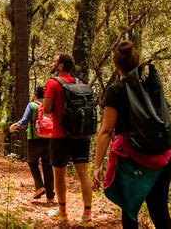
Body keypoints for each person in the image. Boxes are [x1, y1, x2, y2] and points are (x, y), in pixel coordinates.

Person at [92, 40, 171, 228]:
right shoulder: (152, 86)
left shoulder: (115, 91)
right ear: (138, 62)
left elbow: (106, 131)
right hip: (163, 158)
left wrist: (97, 166)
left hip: (132, 160)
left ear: (116, 65)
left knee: (129, 210)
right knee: (160, 211)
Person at [43, 53, 94, 227]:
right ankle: (87, 217)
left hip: (60, 136)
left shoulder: (52, 83)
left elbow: (47, 109)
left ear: (61, 66)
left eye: (54, 61)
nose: (52, 63)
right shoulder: (80, 84)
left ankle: (63, 213)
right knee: (83, 175)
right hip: (81, 135)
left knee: (59, 175)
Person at [10, 86, 55, 203]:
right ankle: (50, 195)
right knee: (48, 166)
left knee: (33, 163)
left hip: (34, 140)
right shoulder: (51, 105)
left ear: (35, 95)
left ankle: (40, 186)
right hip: (49, 139)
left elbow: (24, 122)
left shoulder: (32, 105)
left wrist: (16, 125)